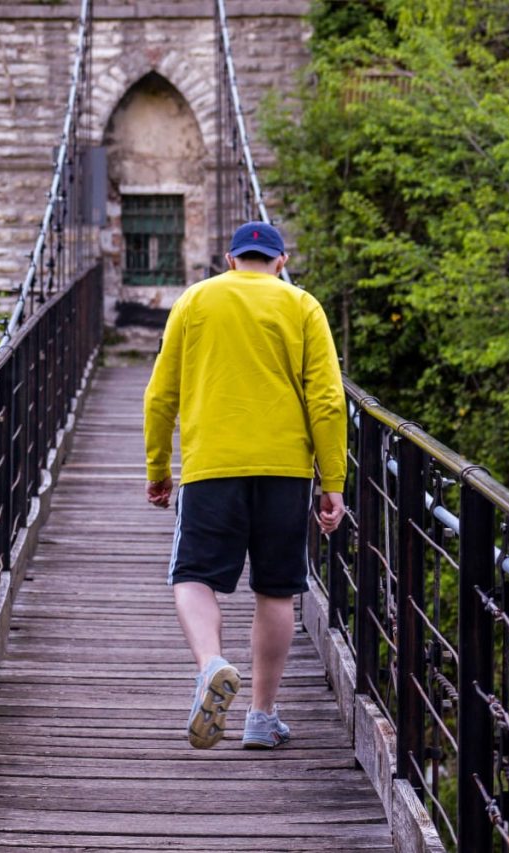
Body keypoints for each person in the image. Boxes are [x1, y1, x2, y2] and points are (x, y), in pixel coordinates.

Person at [143, 221, 346, 750]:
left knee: (191, 576)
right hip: (287, 471)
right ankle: (261, 717)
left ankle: (211, 663)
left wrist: (158, 467)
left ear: (231, 261)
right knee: (276, 589)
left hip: (214, 466)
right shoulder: (303, 305)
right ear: (280, 262)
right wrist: (333, 481)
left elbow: (160, 395)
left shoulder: (195, 300)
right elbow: (326, 400)